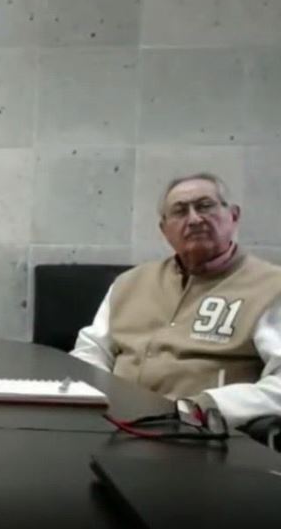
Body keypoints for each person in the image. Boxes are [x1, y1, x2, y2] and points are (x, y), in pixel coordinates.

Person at [71, 173, 281, 427]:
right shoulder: (130, 283)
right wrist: (97, 395)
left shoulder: (271, 287)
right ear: (164, 230)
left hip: (201, 433)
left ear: (233, 216)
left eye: (205, 206)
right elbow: (92, 350)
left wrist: (209, 405)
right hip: (114, 424)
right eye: (180, 211)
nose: (194, 219)